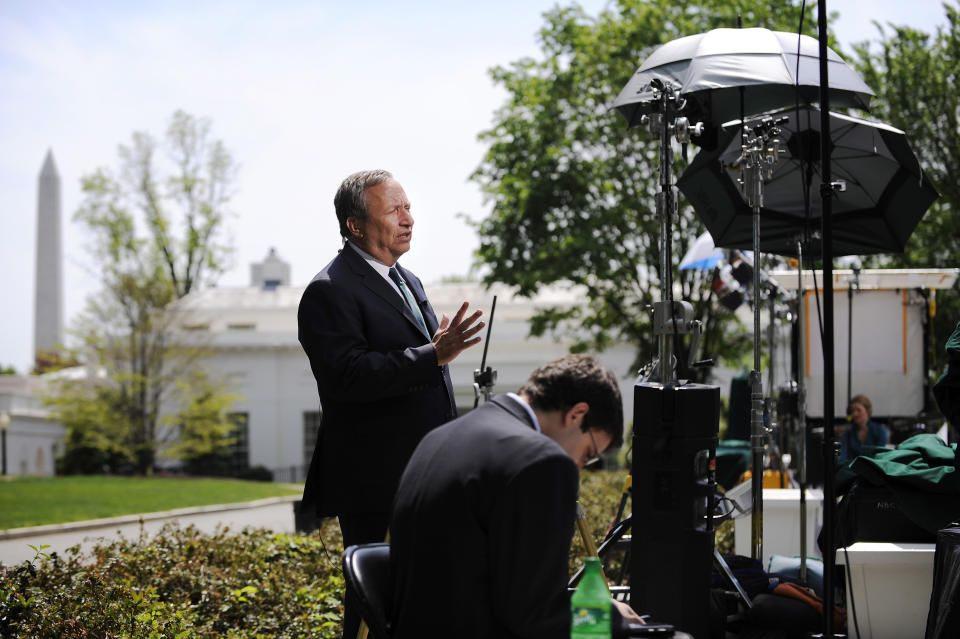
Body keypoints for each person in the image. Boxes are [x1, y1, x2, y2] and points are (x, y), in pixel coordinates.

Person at [297, 169, 484, 639]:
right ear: (355, 225)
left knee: (423, 599)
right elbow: (348, 377)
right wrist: (432, 354)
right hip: (374, 480)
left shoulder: (409, 279)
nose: (408, 219)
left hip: (424, 474)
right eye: (394, 210)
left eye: (408, 207)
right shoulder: (329, 290)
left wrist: (434, 353)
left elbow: (421, 370)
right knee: (374, 603)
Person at [389, 354, 644, 638]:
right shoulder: (542, 462)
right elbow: (538, 617)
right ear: (577, 414)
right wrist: (608, 617)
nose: (580, 468)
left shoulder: (439, 437)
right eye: (588, 454)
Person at [839, 394, 889, 462]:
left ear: (867, 411)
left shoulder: (880, 431)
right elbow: (843, 457)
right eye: (852, 411)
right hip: (852, 470)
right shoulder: (847, 433)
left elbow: (880, 456)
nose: (855, 414)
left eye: (858, 410)